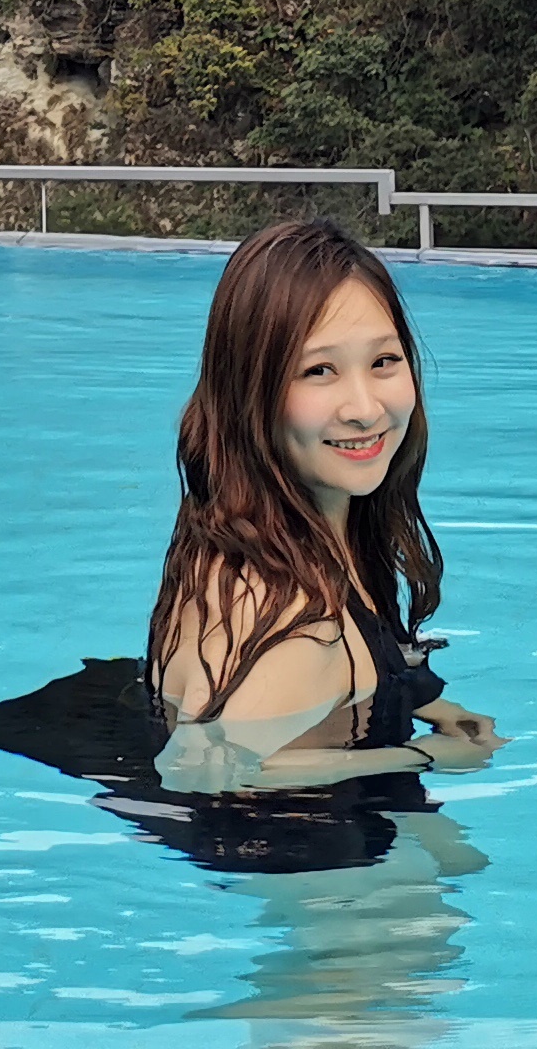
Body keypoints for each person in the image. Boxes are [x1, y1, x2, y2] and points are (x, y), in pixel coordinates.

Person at [145, 218, 503, 796]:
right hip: (320, 866)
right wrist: (420, 757)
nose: (364, 408)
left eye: (383, 361)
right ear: (249, 393)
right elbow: (201, 774)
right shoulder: (300, 632)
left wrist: (433, 707)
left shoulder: (272, 539)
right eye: (319, 370)